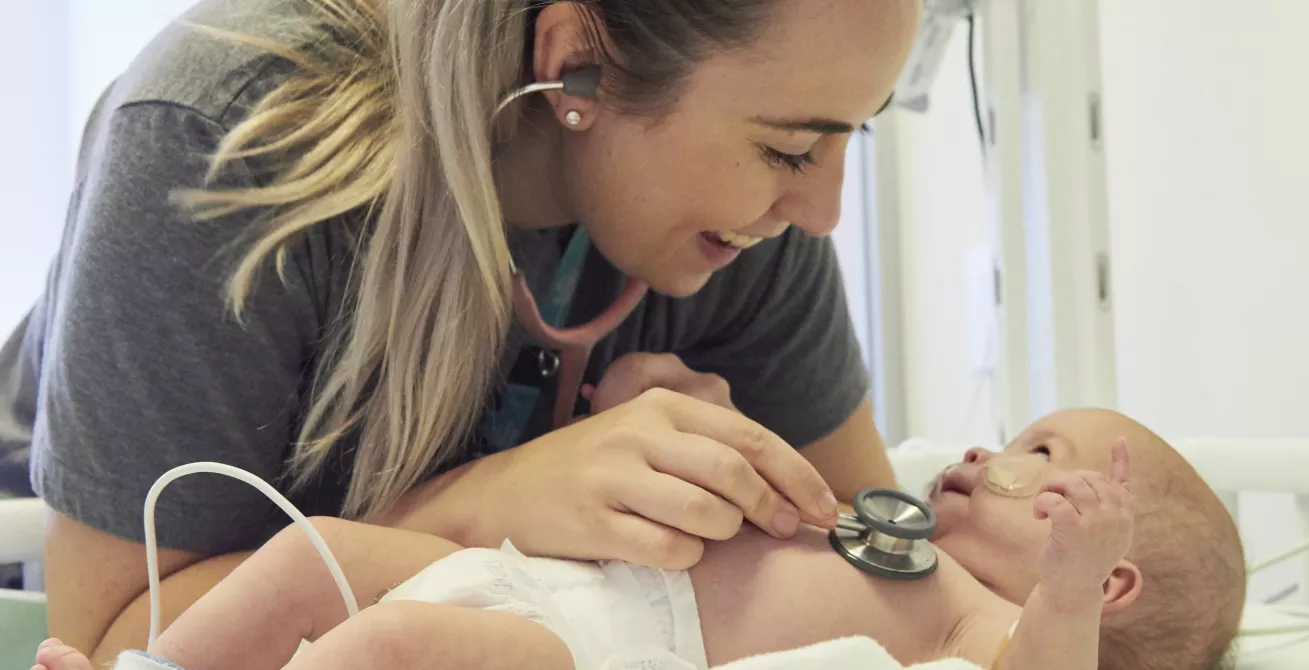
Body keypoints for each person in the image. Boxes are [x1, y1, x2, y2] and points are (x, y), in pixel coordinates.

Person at [0, 0, 923, 663]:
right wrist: (491, 505)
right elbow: (113, 644)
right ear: (577, 66)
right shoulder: (223, 137)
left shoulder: (747, 231)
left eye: (850, 139)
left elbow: (886, 573)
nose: (822, 209)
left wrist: (722, 508)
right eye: (791, 150)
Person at [32, 408, 1248, 670]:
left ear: (1109, 572)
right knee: (308, 559)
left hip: (603, 647)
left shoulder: (980, 624)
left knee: (386, 642)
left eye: (1045, 462)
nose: (990, 455)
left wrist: (1068, 588)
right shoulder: (882, 534)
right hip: (566, 573)